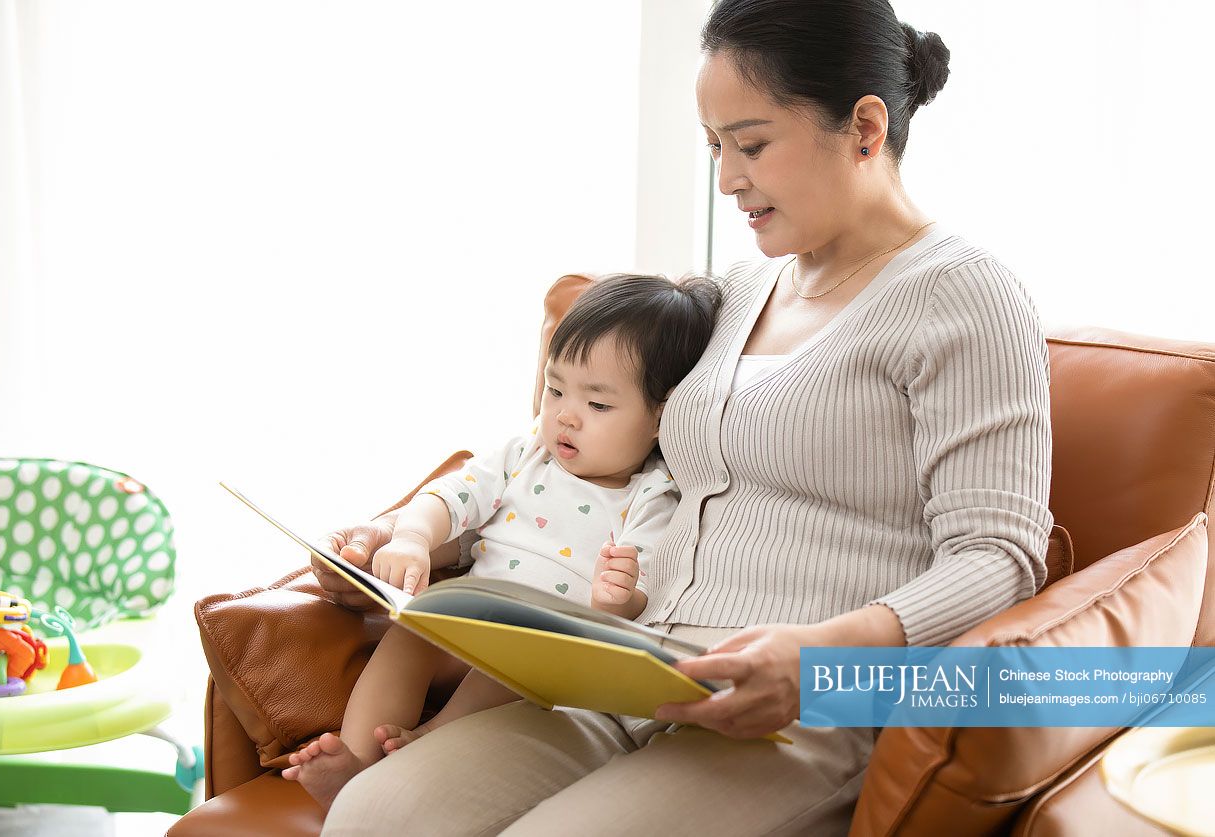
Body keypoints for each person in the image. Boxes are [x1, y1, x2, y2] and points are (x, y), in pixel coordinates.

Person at [313, 1, 1054, 833]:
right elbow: (590, 454)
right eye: (714, 147)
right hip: (622, 670)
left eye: (751, 143)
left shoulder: (965, 295)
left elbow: (998, 557)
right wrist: (415, 532)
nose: (727, 178)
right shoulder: (738, 291)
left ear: (865, 128)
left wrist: (817, 660)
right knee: (372, 815)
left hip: (789, 714)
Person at [284, 273, 721, 811]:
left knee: (510, 671)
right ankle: (352, 762)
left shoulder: (653, 495)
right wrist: (415, 539)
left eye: (598, 405)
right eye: (555, 388)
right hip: (463, 620)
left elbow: (643, 590)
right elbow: (451, 495)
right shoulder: (527, 451)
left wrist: (619, 599)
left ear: (661, 415)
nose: (564, 414)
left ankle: (431, 739)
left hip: (537, 652)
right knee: (408, 634)